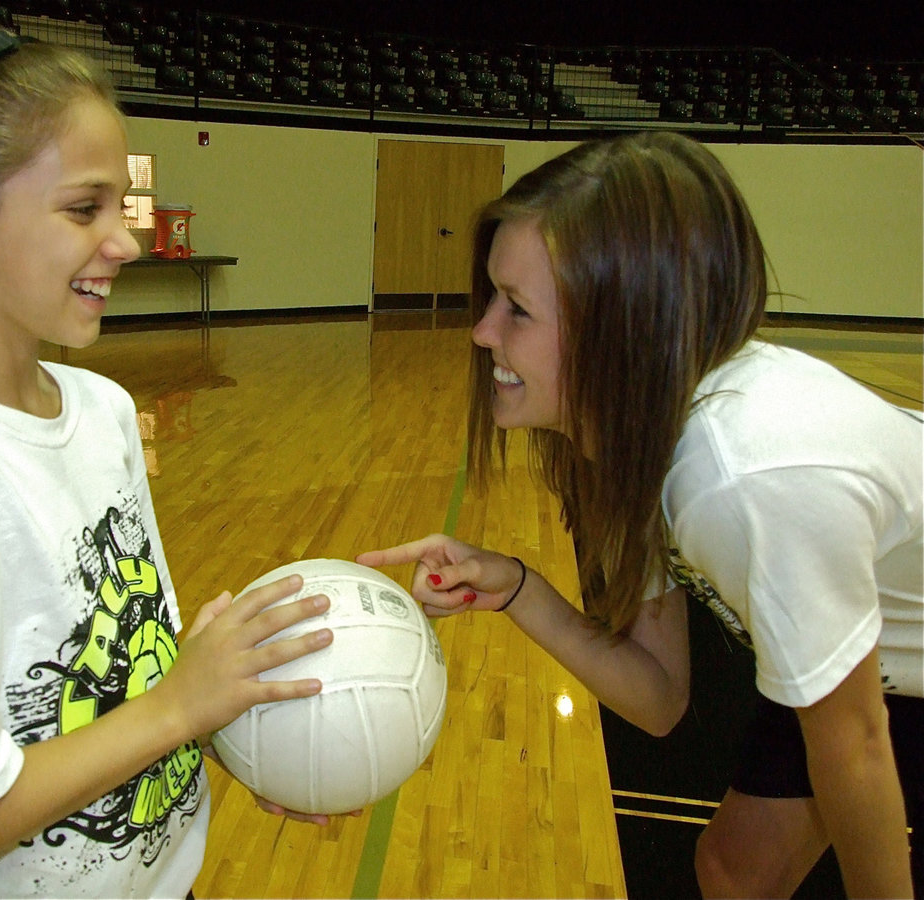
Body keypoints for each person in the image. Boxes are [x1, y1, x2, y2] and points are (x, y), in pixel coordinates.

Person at [0, 25, 338, 897]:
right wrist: (176, 707)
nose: (125, 242)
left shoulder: (103, 412)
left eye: (117, 210)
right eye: (83, 210)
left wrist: (220, 724)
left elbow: (122, 674)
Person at [358, 131, 922, 899]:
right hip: (880, 657)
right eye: (493, 297)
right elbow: (658, 698)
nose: (482, 331)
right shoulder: (625, 441)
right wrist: (516, 587)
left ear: (621, 329)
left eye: (516, 309)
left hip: (893, 672)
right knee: (733, 872)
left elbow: (855, 747)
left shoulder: (743, 479)